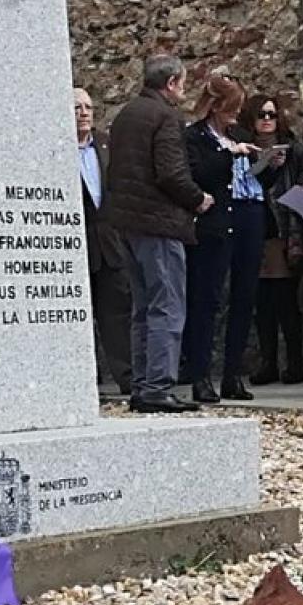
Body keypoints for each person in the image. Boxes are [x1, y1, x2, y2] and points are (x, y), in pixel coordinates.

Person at [105, 54, 211, 414]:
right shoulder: (165, 117)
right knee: (167, 306)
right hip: (159, 223)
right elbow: (171, 173)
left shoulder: (125, 116)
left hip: (127, 223)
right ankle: (158, 386)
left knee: (142, 308)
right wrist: (198, 200)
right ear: (170, 84)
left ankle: (141, 384)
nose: (183, 91)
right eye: (182, 84)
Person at [181, 70, 262, 404]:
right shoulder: (195, 137)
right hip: (215, 220)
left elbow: (255, 179)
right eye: (230, 108)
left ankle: (233, 375)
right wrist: (231, 154)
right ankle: (200, 375)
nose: (235, 115)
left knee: (244, 298)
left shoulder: (238, 133)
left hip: (248, 215)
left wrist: (266, 163)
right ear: (214, 106)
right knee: (207, 299)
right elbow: (198, 173)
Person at [244, 93, 303, 387]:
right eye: (261, 115)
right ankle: (268, 362)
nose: (267, 121)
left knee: (286, 301)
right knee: (261, 305)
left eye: (271, 115)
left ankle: (294, 363)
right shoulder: (244, 150)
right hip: (255, 233)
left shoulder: (293, 151)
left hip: (284, 234)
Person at [75, 87, 132, 398]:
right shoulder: (55, 148)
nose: (83, 113)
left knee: (117, 311)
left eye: (88, 107)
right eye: (76, 108)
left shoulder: (106, 146)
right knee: (78, 314)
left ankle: (127, 375)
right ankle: (86, 377)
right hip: (76, 242)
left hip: (110, 241)